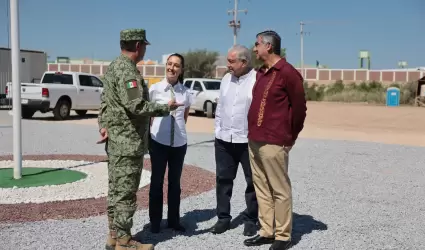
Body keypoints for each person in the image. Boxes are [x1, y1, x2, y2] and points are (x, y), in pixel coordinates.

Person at [98, 28, 183, 250]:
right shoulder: (128, 72)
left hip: (116, 141)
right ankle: (124, 242)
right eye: (144, 45)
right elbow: (136, 105)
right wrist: (166, 107)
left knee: (115, 190)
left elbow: (104, 101)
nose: (145, 49)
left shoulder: (113, 67)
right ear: (137, 46)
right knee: (125, 193)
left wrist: (103, 125)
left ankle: (114, 236)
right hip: (128, 142)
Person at [243, 30, 307, 250]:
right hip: (255, 140)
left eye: (257, 44)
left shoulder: (288, 73)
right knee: (261, 187)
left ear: (268, 46)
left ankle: (283, 235)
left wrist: (291, 136)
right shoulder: (261, 73)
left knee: (279, 189)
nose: (254, 48)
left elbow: (299, 110)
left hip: (275, 141)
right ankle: (267, 231)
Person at [209, 45, 259, 237]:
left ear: (244, 62)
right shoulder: (226, 79)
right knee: (223, 180)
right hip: (224, 141)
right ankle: (223, 218)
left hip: (247, 141)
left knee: (252, 182)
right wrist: (217, 131)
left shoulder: (256, 79)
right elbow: (220, 107)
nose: (227, 65)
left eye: (231, 61)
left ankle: (251, 219)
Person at [148, 53, 193, 234]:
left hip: (179, 145)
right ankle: (155, 222)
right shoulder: (155, 89)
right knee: (156, 182)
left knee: (175, 184)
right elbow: (149, 115)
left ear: (181, 69)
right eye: (169, 64)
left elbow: (185, 116)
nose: (172, 68)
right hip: (158, 142)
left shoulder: (186, 92)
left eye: (176, 65)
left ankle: (174, 220)